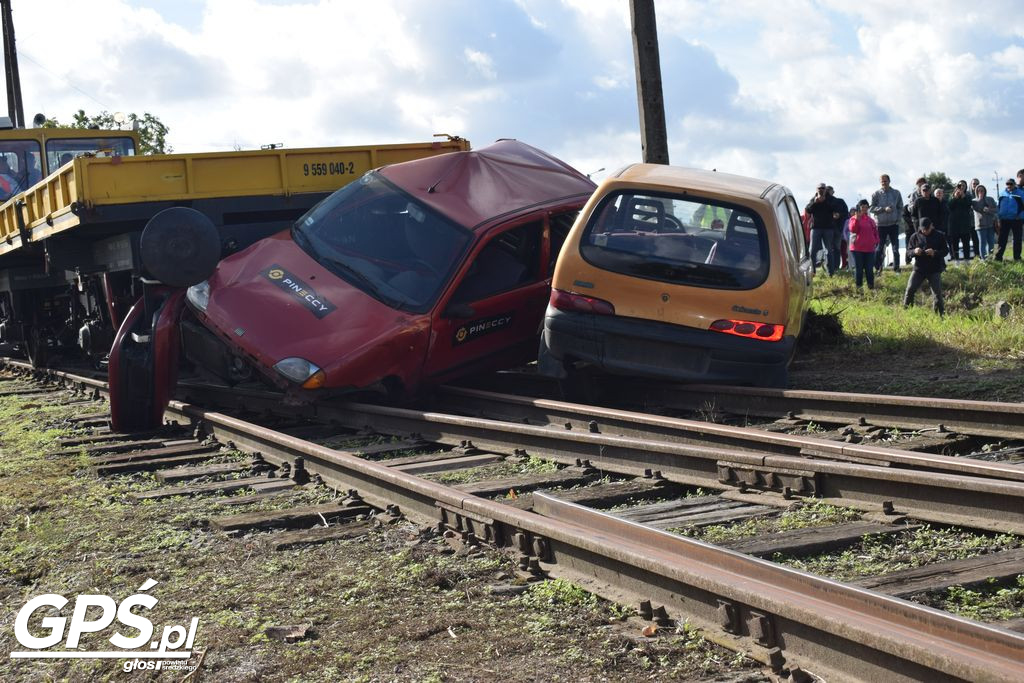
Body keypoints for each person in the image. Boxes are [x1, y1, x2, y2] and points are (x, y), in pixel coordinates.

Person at [904, 217, 949, 315]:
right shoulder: (914, 237)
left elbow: (945, 251)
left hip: (934, 269)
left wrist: (935, 253)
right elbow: (908, 252)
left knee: (937, 293)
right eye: (923, 229)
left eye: (927, 229)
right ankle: (907, 311)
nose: (925, 231)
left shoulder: (940, 235)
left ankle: (940, 315)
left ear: (931, 226)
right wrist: (914, 251)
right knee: (910, 289)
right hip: (919, 268)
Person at [870, 174, 903, 272]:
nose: (884, 183)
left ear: (889, 181)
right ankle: (877, 268)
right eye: (882, 181)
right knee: (879, 248)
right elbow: (871, 208)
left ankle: (896, 269)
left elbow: (900, 207)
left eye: (885, 181)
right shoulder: (875, 194)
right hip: (881, 225)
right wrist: (883, 209)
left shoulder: (896, 193)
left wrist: (898, 218)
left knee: (895, 248)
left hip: (894, 224)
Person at [805, 183, 836, 275]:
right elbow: (808, 210)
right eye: (819, 188)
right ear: (816, 189)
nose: (821, 190)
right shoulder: (813, 198)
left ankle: (831, 272)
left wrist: (825, 201)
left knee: (829, 250)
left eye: (823, 188)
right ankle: (812, 271)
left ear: (825, 189)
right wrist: (815, 202)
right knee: (812, 250)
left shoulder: (830, 199)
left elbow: (835, 208)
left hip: (828, 228)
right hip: (816, 228)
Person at [849, 200, 879, 289]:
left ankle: (871, 288)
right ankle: (859, 288)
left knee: (869, 269)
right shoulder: (853, 219)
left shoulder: (871, 220)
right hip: (857, 248)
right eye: (862, 207)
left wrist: (876, 241)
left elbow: (875, 232)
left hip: (869, 249)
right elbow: (853, 230)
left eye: (866, 207)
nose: (864, 209)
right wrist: (857, 220)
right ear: (859, 208)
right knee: (859, 269)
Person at [994, 177, 1024, 261]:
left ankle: (1017, 257)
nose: (1009, 185)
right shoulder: (1002, 193)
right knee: (1002, 239)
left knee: (1017, 239)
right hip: (1004, 220)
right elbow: (999, 206)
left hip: (1016, 219)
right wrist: (999, 217)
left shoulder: (1021, 193)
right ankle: (998, 257)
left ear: (1014, 184)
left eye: (1011, 184)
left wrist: (1020, 216)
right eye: (1007, 184)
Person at [947, 182, 974, 260]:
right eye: (959, 185)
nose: (961, 187)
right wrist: (955, 197)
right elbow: (949, 206)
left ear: (966, 187)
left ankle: (967, 260)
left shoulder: (968, 196)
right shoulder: (951, 196)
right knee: (954, 244)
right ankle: (956, 260)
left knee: (966, 244)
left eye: (963, 186)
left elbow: (968, 205)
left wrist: (963, 196)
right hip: (953, 225)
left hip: (965, 225)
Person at [972, 184, 997, 258]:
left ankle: (991, 258)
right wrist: (980, 199)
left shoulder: (990, 199)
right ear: (976, 191)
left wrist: (989, 210)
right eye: (978, 190)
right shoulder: (973, 201)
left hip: (990, 225)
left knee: (991, 243)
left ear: (985, 191)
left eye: (982, 190)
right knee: (982, 243)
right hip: (980, 226)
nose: (980, 192)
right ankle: (984, 260)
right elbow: (977, 209)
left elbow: (996, 209)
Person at [827, 186, 847, 272]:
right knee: (829, 248)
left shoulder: (840, 201)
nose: (828, 192)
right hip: (826, 228)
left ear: (833, 192)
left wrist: (839, 215)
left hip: (837, 228)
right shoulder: (822, 201)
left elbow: (846, 213)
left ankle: (835, 268)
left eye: (829, 191)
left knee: (836, 248)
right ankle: (830, 267)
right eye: (826, 191)